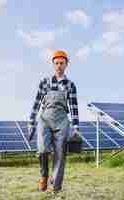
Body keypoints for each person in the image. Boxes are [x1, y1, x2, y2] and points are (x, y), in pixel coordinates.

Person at [28, 50, 81, 193]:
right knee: (42, 149)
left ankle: (55, 186)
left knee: (60, 154)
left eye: (62, 63)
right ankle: (44, 176)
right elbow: (37, 102)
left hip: (62, 121)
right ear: (53, 64)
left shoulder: (70, 85)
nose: (59, 66)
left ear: (66, 65)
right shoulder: (44, 82)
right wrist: (31, 121)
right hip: (45, 118)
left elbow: (74, 106)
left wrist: (75, 127)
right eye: (56, 63)